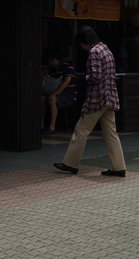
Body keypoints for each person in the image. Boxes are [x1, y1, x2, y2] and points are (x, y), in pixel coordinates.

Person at [53, 26, 126, 178]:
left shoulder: (94, 52)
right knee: (111, 133)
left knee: (81, 130)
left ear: (85, 42)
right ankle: (119, 167)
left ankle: (70, 163)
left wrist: (82, 77)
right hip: (110, 97)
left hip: (97, 99)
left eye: (81, 44)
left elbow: (95, 77)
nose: (81, 47)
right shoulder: (105, 49)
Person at [42, 54, 78, 134]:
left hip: (68, 94)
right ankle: (42, 126)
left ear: (54, 60)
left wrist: (55, 93)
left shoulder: (68, 67)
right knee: (42, 99)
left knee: (52, 98)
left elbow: (67, 81)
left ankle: (52, 127)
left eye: (49, 61)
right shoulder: (53, 69)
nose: (49, 63)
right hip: (57, 93)